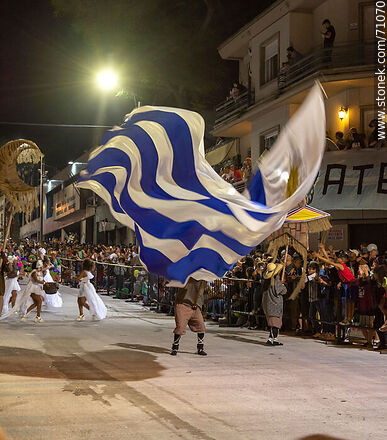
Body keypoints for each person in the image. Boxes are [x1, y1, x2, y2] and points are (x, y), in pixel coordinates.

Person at [171, 278, 208, 356]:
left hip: (195, 306)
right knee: (180, 327)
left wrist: (197, 303)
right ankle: (175, 347)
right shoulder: (186, 277)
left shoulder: (202, 281)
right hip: (183, 304)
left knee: (201, 326)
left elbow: (200, 294)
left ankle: (200, 348)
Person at [262, 263, 287, 346]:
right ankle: (270, 339)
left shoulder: (266, 282)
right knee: (275, 324)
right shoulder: (275, 281)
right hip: (275, 305)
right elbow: (282, 291)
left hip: (268, 305)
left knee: (273, 324)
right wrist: (283, 285)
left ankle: (275, 339)